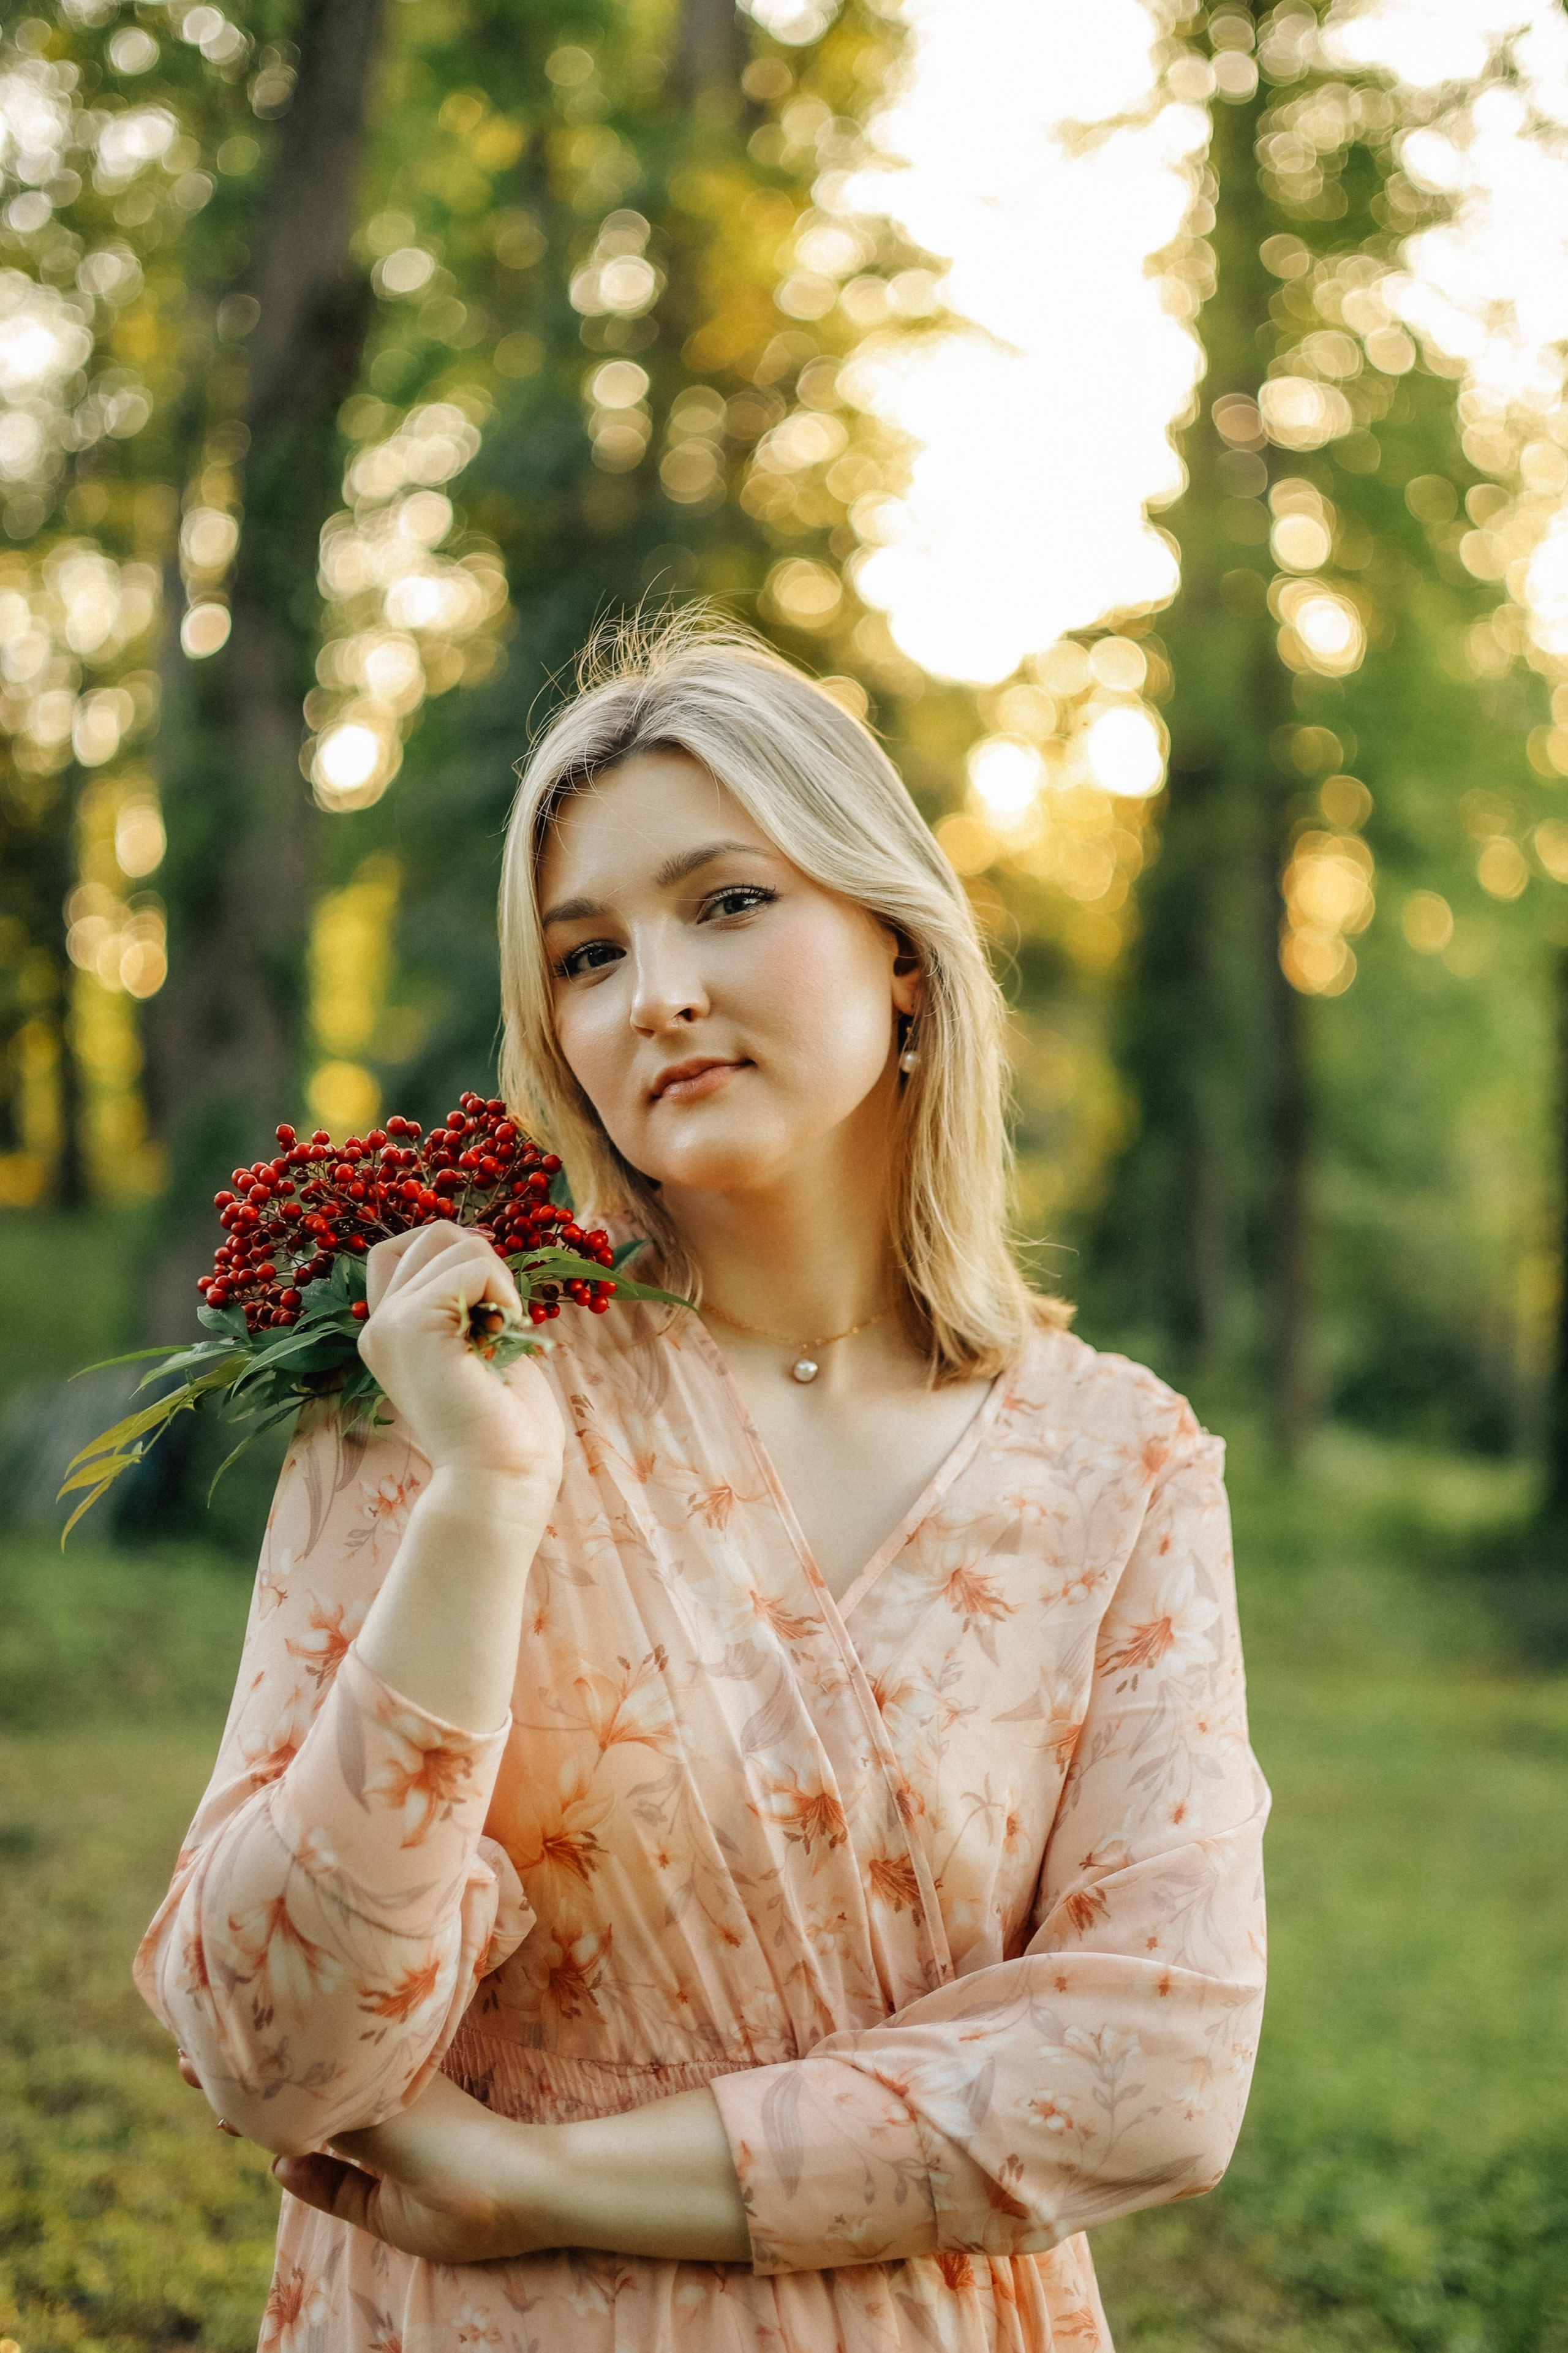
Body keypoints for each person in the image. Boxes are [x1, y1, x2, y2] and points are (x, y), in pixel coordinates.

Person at [137, 616, 1268, 2352]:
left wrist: (542, 2183)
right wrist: (483, 1502)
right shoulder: (442, 1391)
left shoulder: (1120, 1464)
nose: (652, 988)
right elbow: (273, 2044)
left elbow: (1159, 2072)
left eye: (727, 901)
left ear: (899, 947)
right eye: (586, 952)